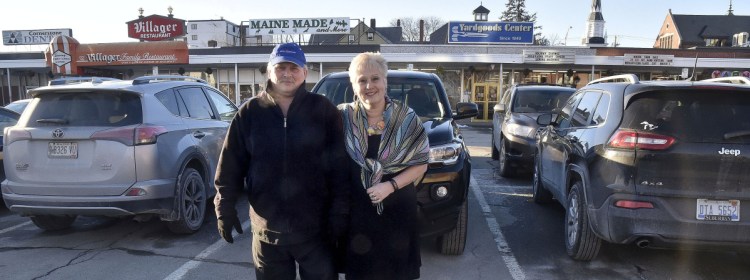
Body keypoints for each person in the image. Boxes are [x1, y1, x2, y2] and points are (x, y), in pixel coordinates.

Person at [213, 42, 349, 280]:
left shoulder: (323, 110)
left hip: (316, 231)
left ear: (305, 72)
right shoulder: (249, 113)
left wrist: (340, 212)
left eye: (294, 67)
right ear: (269, 70)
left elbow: (340, 168)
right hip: (267, 232)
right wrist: (224, 207)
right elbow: (231, 164)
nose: (287, 73)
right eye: (281, 67)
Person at [338, 52, 430, 280]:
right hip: (356, 213)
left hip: (397, 211)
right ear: (353, 85)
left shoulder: (406, 118)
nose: (369, 85)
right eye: (362, 80)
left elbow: (421, 163)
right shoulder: (342, 117)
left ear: (385, 81)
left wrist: (389, 186)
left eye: (375, 78)